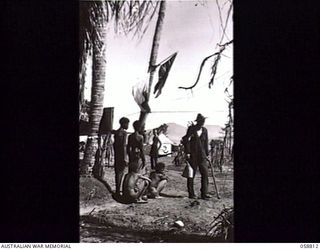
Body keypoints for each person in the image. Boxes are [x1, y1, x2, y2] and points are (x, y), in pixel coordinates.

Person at [182, 113, 211, 200]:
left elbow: (206, 143)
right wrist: (187, 152)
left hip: (202, 156)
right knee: (191, 174)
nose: (203, 123)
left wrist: (207, 154)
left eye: (203, 121)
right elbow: (186, 140)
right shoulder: (191, 129)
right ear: (198, 121)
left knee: (205, 174)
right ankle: (191, 193)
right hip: (193, 155)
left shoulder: (205, 130)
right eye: (201, 121)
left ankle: (204, 193)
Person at [113, 117, 130, 197]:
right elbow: (123, 146)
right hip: (121, 155)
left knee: (117, 173)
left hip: (117, 155)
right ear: (123, 124)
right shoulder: (124, 133)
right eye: (127, 124)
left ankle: (117, 190)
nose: (128, 125)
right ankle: (119, 192)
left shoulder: (116, 133)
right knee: (121, 173)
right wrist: (125, 158)